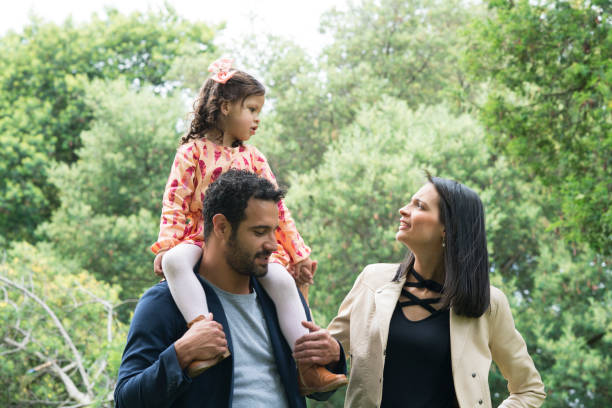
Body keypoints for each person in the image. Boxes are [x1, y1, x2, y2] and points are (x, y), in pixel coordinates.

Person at [150, 57, 345, 391]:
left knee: (283, 282)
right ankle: (201, 331)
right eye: (251, 110)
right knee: (174, 262)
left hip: (247, 245)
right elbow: (176, 202)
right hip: (201, 239)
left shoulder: (253, 158)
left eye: (259, 112)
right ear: (225, 107)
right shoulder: (192, 153)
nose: (257, 120)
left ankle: (309, 367)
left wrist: (296, 253)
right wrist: (168, 244)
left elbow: (278, 211)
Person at [115, 170, 347, 407]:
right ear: (222, 227)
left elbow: (316, 391)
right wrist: (180, 355)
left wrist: (332, 356)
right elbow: (126, 400)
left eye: (273, 231)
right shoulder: (164, 302)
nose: (273, 244)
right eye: (259, 232)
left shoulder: (280, 297)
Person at [321, 175, 546, 407]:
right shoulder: (371, 281)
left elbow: (529, 389)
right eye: (410, 202)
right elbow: (324, 361)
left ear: (447, 228)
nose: (403, 210)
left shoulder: (489, 303)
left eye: (419, 206)